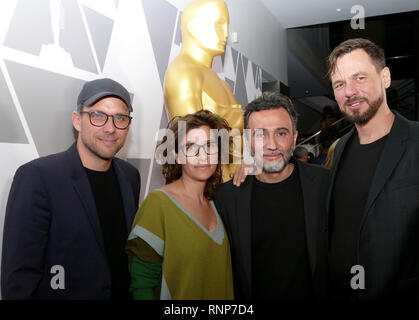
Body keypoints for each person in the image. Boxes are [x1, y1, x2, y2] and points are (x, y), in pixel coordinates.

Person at [1, 78, 141, 300]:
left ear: (128, 125)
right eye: (97, 115)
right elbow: (19, 278)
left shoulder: (130, 177)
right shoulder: (38, 177)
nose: (110, 128)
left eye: (120, 118)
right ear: (77, 120)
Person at [326, 38, 419, 299]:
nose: (350, 92)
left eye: (359, 78)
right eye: (340, 84)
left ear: (385, 77)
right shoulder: (340, 148)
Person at [215, 92, 330, 300]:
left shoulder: (324, 184)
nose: (272, 145)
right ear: (248, 141)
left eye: (281, 133)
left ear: (294, 139)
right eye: (260, 135)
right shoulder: (227, 198)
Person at [126, 110, 234, 300]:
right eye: (191, 147)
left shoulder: (220, 204)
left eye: (209, 145)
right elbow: (141, 281)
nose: (203, 156)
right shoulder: (158, 204)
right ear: (176, 155)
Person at [164, 0, 243, 180]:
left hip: (231, 188)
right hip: (209, 191)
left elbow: (236, 149)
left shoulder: (221, 83)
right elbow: (194, 148)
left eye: (227, 26)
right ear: (193, 26)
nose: (225, 34)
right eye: (218, 24)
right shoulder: (183, 74)